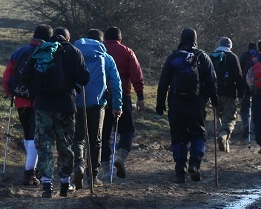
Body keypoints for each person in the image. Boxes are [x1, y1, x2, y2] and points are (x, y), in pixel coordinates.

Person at [156, 28, 218, 183]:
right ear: (195, 39)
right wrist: (215, 102)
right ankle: (195, 164)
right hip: (196, 104)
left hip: (176, 103)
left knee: (179, 136)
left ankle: (180, 171)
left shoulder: (173, 57)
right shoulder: (202, 56)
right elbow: (211, 82)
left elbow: (163, 82)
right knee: (198, 134)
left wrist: (160, 103)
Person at [33, 27, 90, 198]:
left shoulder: (43, 49)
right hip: (65, 106)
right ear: (68, 37)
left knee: (45, 144)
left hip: (43, 105)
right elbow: (84, 78)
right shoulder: (74, 51)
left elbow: (30, 74)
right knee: (65, 144)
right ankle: (65, 183)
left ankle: (46, 184)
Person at [1, 24, 53, 186]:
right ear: (49, 38)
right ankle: (29, 172)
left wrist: (12, 92)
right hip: (40, 100)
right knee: (34, 136)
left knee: (28, 134)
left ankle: (31, 167)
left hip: (20, 99)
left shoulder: (19, 52)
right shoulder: (48, 52)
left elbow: (7, 76)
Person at [72, 29, 122, 190]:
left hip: (77, 103)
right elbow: (116, 82)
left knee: (78, 138)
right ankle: (92, 176)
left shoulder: (75, 53)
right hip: (97, 104)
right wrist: (117, 106)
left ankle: (78, 166)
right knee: (95, 141)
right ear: (101, 41)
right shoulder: (106, 57)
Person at [100, 26, 145, 179]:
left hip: (101, 97)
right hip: (123, 95)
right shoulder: (127, 51)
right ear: (120, 39)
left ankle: (105, 167)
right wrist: (140, 96)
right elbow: (136, 74)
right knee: (127, 131)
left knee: (104, 134)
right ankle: (120, 155)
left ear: (104, 38)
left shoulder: (100, 50)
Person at [210, 37, 243, 152]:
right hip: (229, 93)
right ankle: (224, 135)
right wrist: (241, 94)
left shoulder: (211, 56)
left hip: (214, 93)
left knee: (217, 116)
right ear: (230, 46)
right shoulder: (232, 57)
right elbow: (238, 77)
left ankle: (224, 139)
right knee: (229, 118)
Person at [238, 42, 257, 139]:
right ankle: (254, 126)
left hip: (245, 84)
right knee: (255, 107)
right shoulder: (258, 56)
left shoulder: (244, 55)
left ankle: (246, 125)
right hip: (257, 86)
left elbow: (240, 71)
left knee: (244, 108)